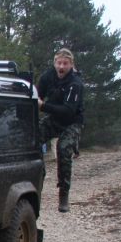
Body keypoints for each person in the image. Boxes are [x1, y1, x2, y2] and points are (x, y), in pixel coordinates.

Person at [38, 48, 84, 212]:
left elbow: (68, 111)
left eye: (65, 63)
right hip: (53, 120)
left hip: (72, 122)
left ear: (71, 65)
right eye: (59, 63)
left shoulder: (75, 84)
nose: (61, 66)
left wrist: (43, 106)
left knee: (63, 149)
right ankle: (37, 183)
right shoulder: (47, 76)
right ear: (55, 63)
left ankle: (64, 194)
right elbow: (38, 95)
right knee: (31, 140)